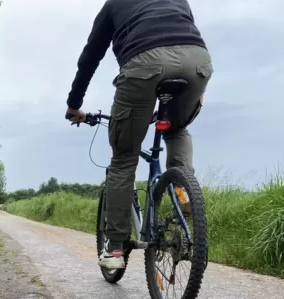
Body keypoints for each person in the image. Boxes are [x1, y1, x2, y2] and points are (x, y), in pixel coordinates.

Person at [66, 0, 213, 269]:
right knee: (177, 128)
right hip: (197, 61)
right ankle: (183, 193)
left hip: (144, 64)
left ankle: (116, 248)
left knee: (124, 158)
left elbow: (90, 58)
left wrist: (74, 105)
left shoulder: (114, 4)